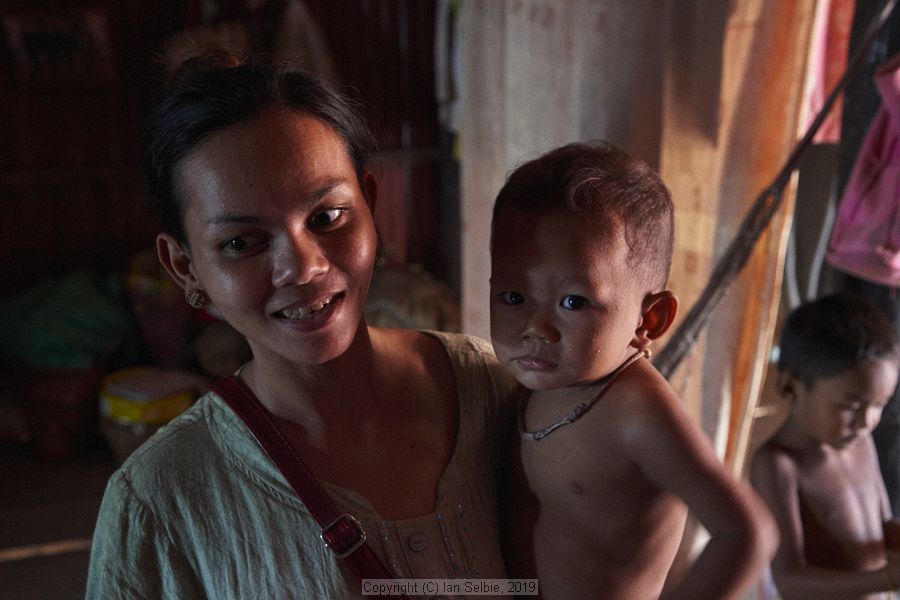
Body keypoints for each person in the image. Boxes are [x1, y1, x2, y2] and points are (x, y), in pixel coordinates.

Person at [86, 51, 519, 599]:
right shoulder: (161, 501)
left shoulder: (492, 391)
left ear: (370, 201)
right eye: (241, 242)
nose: (304, 267)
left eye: (327, 217)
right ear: (185, 266)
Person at [491, 141, 778, 599]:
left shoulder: (636, 411)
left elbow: (747, 532)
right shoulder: (533, 384)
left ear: (650, 320)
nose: (535, 328)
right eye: (512, 297)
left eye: (573, 302)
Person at [750, 293, 900, 600]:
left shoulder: (861, 444)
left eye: (879, 405)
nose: (866, 422)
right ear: (790, 386)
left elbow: (882, 527)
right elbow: (789, 580)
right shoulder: (778, 465)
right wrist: (886, 579)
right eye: (850, 406)